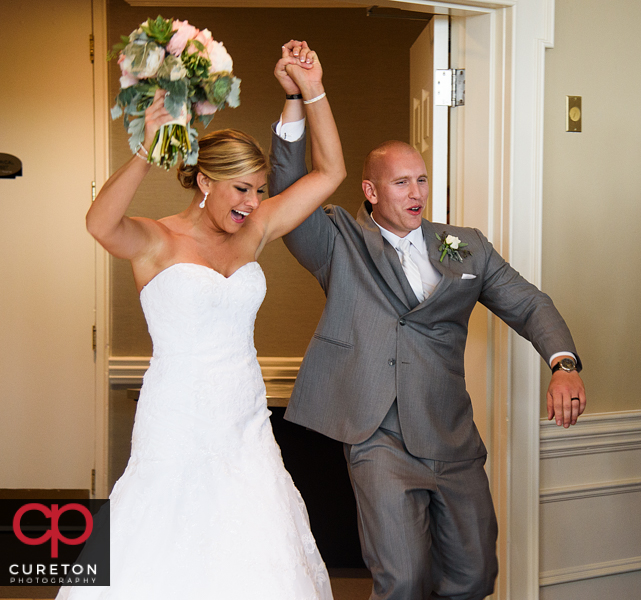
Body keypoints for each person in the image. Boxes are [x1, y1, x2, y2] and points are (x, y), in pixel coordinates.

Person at [58, 41, 345, 599]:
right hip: (177, 414)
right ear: (206, 181)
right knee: (167, 534)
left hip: (244, 416)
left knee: (255, 540)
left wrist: (311, 89)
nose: (252, 202)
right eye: (242, 189)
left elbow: (330, 171)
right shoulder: (156, 241)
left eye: (259, 191)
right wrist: (145, 147)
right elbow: (99, 222)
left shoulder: (255, 230)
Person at [268, 131, 586, 596]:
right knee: (403, 579)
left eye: (421, 180)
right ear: (371, 191)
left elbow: (530, 304)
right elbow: (288, 186)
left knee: (473, 576)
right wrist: (298, 101)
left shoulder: (463, 245)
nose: (416, 193)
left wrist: (564, 365)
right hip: (379, 437)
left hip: (451, 435)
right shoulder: (339, 241)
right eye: (401, 183)